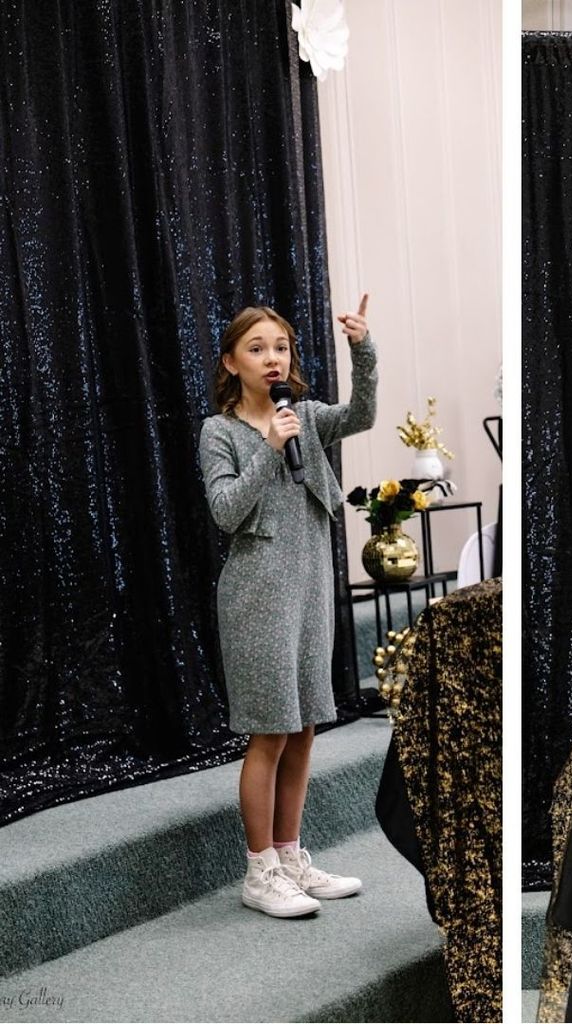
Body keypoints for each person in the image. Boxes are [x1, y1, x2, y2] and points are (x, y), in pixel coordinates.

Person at [198, 298, 377, 918]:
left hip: (308, 590)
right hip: (256, 596)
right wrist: (268, 448)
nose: (272, 357)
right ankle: (259, 873)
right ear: (232, 362)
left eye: (280, 346)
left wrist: (363, 348)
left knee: (303, 727)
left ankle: (290, 854)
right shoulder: (219, 431)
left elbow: (363, 413)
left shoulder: (303, 413)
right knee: (270, 731)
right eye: (256, 348)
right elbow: (225, 512)